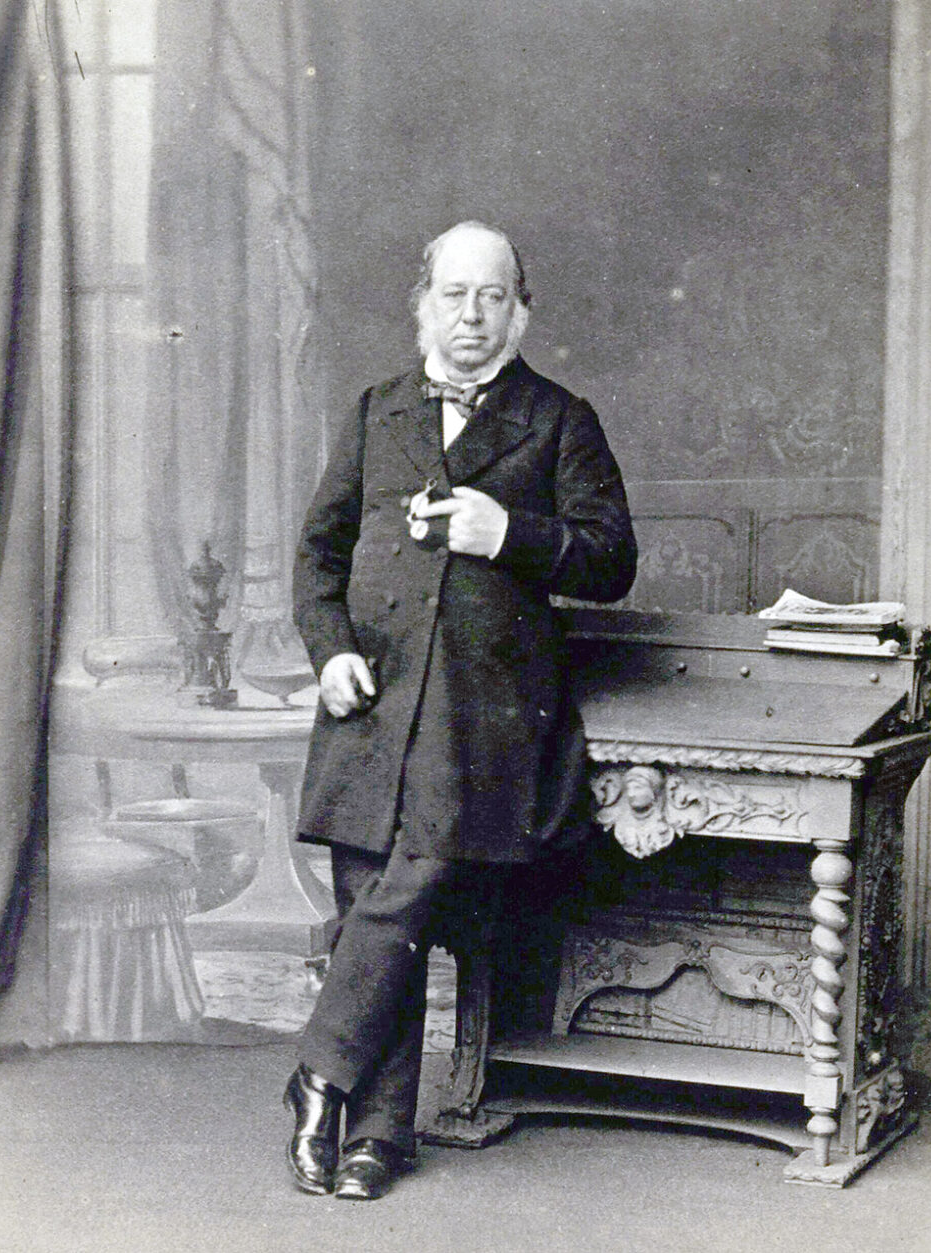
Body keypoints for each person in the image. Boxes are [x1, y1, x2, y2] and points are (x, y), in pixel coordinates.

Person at [285, 220, 637, 1200]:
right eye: (454, 293)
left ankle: (319, 1072)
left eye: (492, 296)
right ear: (422, 306)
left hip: (484, 717)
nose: (472, 314)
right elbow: (316, 555)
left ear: (519, 312)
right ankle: (373, 1138)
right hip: (372, 699)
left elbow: (611, 559)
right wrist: (330, 652)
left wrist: (506, 531)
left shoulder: (559, 419)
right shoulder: (375, 411)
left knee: (413, 878)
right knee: (373, 896)